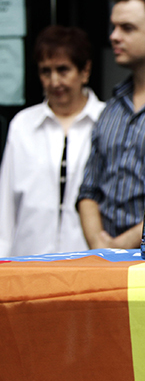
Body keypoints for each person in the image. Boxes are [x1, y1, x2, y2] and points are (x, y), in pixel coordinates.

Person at [77, 0, 145, 249]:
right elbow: (88, 190)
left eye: (127, 28)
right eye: (114, 27)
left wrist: (121, 245)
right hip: (103, 258)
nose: (114, 36)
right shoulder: (111, 108)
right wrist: (99, 243)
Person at [0, 25, 105, 256]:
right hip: (27, 258)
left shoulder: (107, 121)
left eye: (63, 70)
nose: (54, 81)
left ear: (85, 70)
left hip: (89, 260)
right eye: (45, 71)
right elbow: (6, 203)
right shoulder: (23, 124)